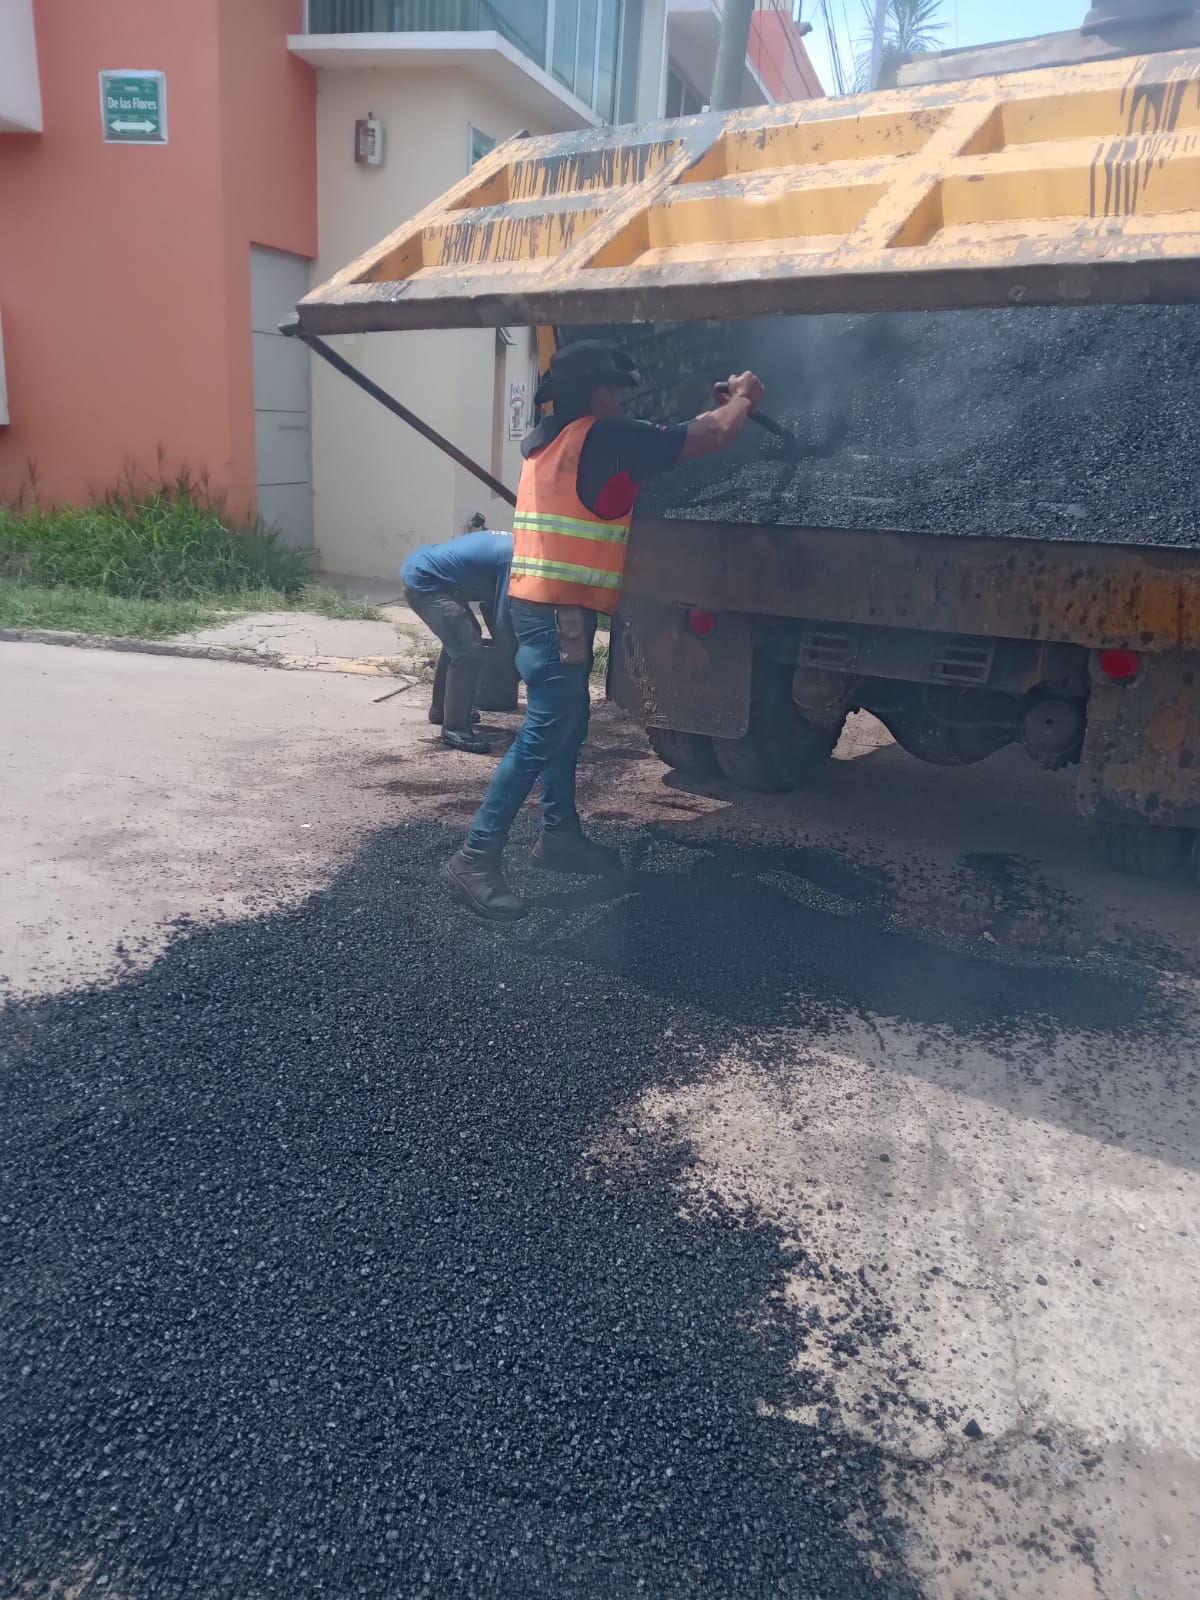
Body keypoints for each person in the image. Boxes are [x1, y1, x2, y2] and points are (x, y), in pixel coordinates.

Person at [440, 339, 765, 920]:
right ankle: (475, 856)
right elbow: (709, 437)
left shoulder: (546, 441)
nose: (620, 400)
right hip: (555, 613)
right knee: (546, 729)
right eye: (614, 390)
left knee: (567, 722)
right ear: (596, 393)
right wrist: (743, 399)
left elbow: (662, 440)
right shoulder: (605, 437)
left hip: (541, 606)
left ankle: (560, 836)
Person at [400, 527, 515, 754]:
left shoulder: (514, 544)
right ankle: (455, 729)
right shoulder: (513, 559)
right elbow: (502, 619)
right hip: (426, 580)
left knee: (463, 638)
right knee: (468, 651)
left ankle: (441, 710)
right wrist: (512, 660)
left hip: (426, 570)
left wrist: (506, 648)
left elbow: (490, 607)